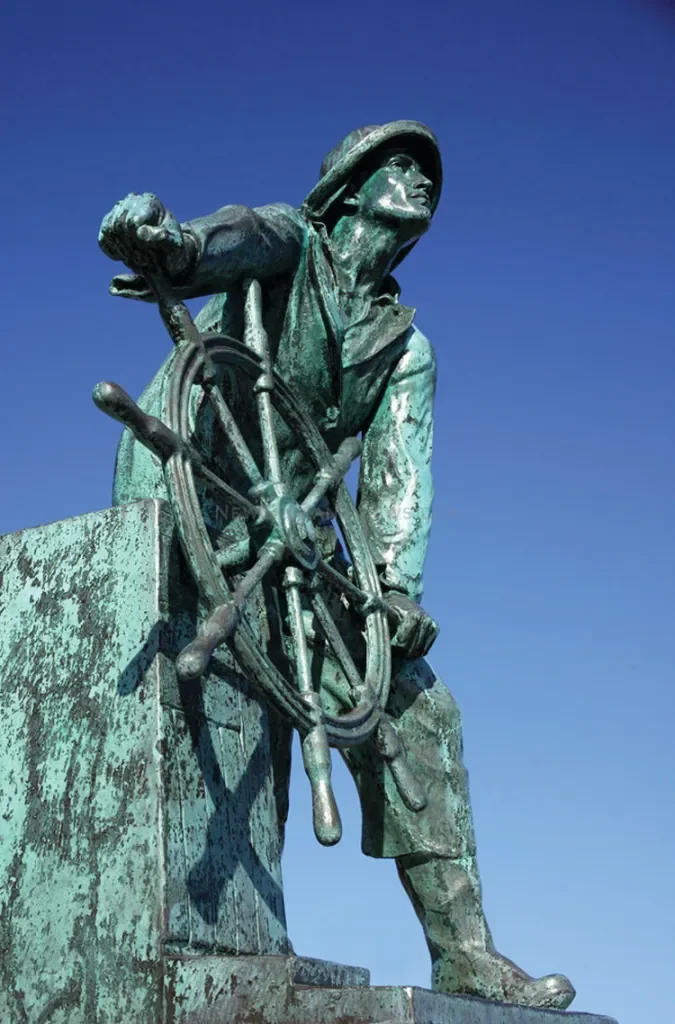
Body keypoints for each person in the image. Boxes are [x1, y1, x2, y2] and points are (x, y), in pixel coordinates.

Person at [99, 121, 575, 1011]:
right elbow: (240, 232)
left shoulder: (405, 348)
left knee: (416, 702)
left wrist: (393, 588)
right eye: (399, 165)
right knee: (241, 704)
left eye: (429, 171)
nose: (422, 179)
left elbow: (399, 471)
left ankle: (465, 954)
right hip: (192, 494)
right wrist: (177, 244)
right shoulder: (293, 246)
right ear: (347, 190)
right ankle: (233, 936)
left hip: (297, 539)